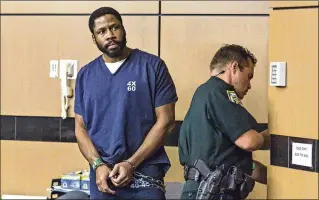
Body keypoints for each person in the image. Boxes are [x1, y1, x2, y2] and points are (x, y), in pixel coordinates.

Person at [74, 7, 178, 199]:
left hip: (146, 174)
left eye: (114, 28)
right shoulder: (85, 75)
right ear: (94, 38)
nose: (109, 35)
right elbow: (80, 128)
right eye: (101, 31)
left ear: (123, 29)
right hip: (104, 177)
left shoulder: (152, 66)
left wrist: (131, 163)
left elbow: (167, 121)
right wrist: (97, 164)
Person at [178, 44, 270, 200]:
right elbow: (249, 141)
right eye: (248, 76)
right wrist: (277, 134)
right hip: (213, 192)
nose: (249, 85)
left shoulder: (205, 95)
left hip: (201, 189)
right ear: (234, 67)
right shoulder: (219, 92)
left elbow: (233, 161)